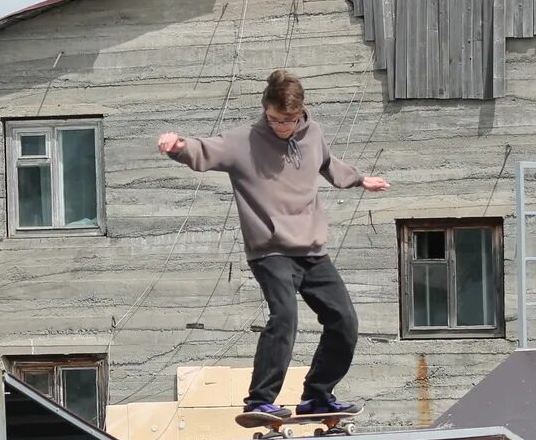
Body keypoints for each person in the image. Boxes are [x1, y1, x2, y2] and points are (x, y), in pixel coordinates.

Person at [157, 69, 390, 421]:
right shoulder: (244, 141)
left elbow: (327, 163)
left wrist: (359, 179)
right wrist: (177, 147)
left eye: (288, 121)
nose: (281, 127)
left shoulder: (313, 134)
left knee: (344, 321)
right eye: (274, 119)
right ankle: (259, 400)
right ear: (265, 110)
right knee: (285, 317)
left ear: (301, 113)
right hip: (270, 250)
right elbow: (205, 150)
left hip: (312, 250)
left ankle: (317, 396)